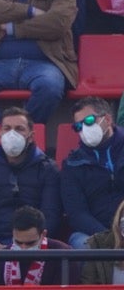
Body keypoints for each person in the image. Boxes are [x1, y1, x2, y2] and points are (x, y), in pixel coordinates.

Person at [0, 107, 61, 248]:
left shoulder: (48, 169)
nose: (12, 134)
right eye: (7, 128)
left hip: (35, 245)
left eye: (19, 129)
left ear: (31, 135)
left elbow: (51, 216)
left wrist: (29, 244)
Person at [59, 98, 124, 248]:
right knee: (82, 244)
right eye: (78, 126)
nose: (84, 128)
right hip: (94, 233)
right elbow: (77, 214)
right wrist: (109, 237)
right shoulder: (72, 164)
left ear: (107, 119)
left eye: (88, 121)